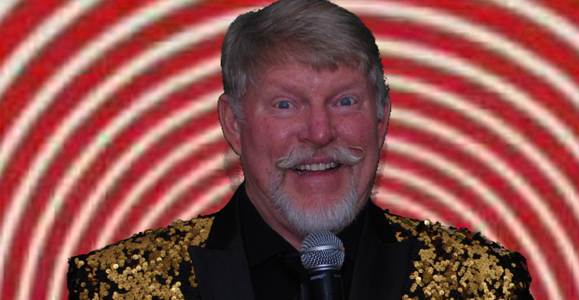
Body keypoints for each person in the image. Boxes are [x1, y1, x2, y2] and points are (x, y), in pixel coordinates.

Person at [67, 0, 533, 299]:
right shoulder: (115, 287)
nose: (318, 131)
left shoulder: (483, 283)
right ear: (234, 123)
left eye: (345, 101)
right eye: (286, 104)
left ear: (382, 118)